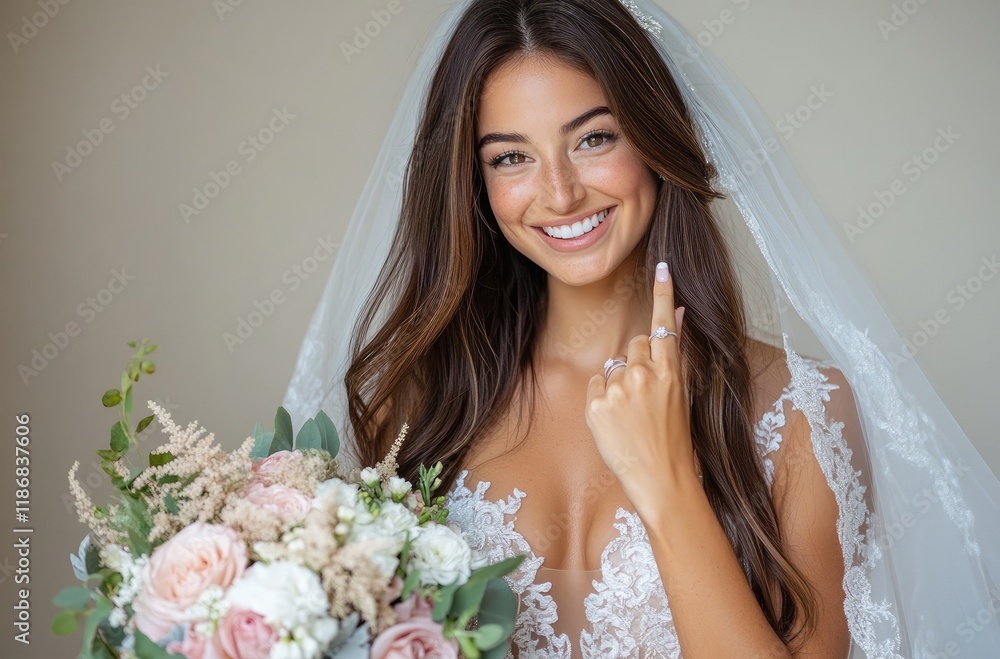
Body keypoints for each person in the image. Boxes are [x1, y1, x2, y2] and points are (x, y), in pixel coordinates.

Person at [283, 1, 1000, 657]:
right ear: (475, 185)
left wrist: (667, 483)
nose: (560, 192)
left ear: (655, 139)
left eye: (593, 138)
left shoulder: (802, 414)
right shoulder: (413, 411)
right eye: (512, 157)